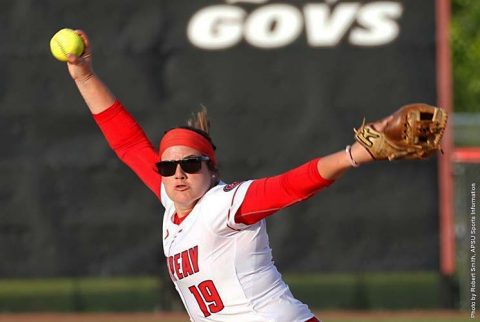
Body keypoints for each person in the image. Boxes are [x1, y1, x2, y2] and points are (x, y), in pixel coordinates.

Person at [65, 30, 392, 322]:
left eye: (191, 165)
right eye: (167, 167)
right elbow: (127, 142)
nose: (178, 174)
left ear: (212, 169)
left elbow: (291, 185)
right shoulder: (173, 202)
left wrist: (353, 155)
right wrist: (84, 76)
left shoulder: (223, 205)